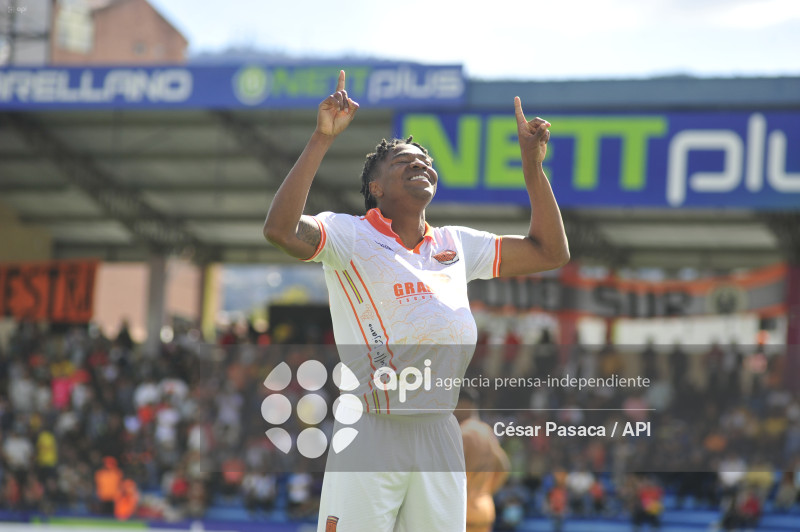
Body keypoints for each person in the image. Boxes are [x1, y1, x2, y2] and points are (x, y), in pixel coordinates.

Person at [263, 70, 569, 532]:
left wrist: (532, 167)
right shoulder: (350, 235)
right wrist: (321, 139)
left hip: (439, 432)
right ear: (377, 188)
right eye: (405, 161)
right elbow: (280, 230)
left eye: (426, 161)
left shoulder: (457, 244)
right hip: (370, 425)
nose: (421, 164)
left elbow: (551, 252)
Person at [456, 388, 510, 532]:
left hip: (464, 512)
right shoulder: (487, 431)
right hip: (485, 509)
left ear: (463, 404)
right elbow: (504, 467)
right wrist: (486, 492)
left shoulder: (462, 433)